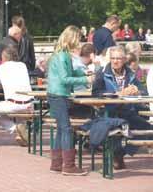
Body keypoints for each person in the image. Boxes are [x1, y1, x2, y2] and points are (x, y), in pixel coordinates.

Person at [92, 45, 152, 169]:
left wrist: (136, 90)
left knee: (148, 130)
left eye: (118, 58)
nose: (115, 61)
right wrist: (116, 94)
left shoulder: (130, 73)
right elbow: (96, 93)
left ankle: (120, 154)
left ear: (124, 59)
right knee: (116, 128)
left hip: (128, 111)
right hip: (108, 112)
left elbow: (144, 91)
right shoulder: (102, 73)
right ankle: (116, 155)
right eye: (113, 58)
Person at [47, 25, 93, 176]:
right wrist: (85, 78)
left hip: (58, 94)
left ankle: (57, 163)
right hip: (58, 95)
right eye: (78, 39)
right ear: (72, 38)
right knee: (66, 129)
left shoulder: (63, 55)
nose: (79, 43)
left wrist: (83, 72)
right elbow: (65, 78)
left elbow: (70, 72)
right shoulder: (62, 56)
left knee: (62, 129)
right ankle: (69, 166)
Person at [0, 46, 33, 146]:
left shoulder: (1, 67)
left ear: (4, 57)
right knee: (20, 119)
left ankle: (15, 129)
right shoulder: (23, 65)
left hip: (13, 104)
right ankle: (22, 136)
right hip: (29, 104)